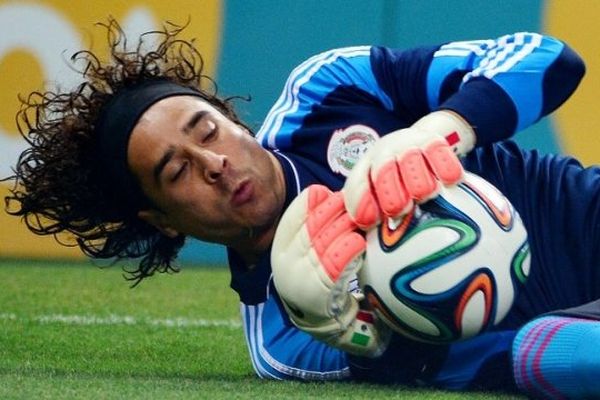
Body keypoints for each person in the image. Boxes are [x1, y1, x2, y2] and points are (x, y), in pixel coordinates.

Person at [4, 19, 599, 398]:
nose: (213, 163)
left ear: (235, 120)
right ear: (162, 223)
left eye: (207, 130)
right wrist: (380, 345)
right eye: (176, 170)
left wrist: (441, 128)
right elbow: (496, 364)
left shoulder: (326, 92)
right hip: (561, 331)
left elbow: (549, 58)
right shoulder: (284, 341)